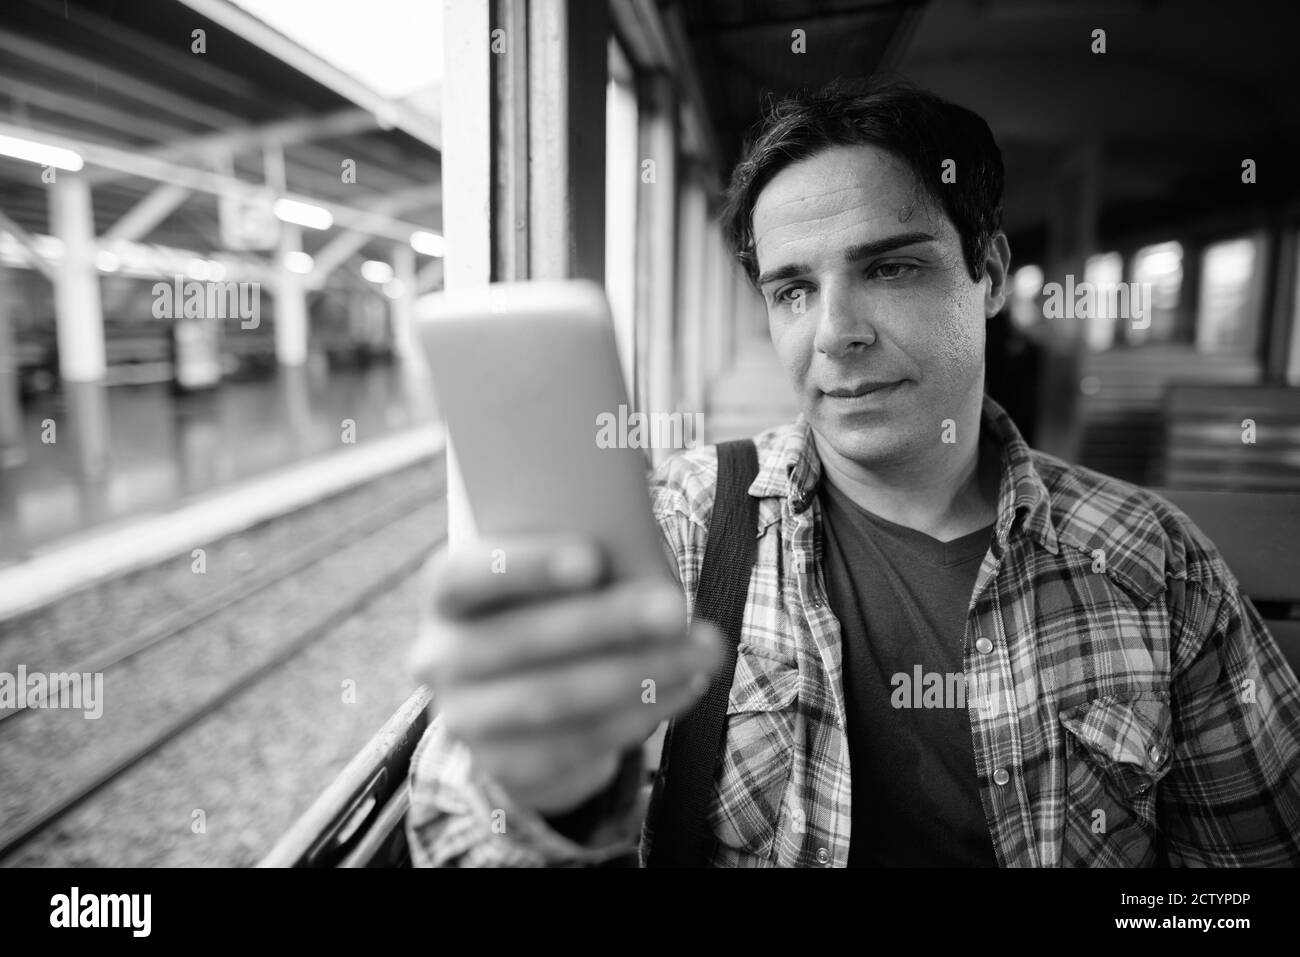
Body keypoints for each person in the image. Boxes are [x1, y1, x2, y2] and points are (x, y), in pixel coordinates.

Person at [404, 78, 1300, 867]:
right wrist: (544, 787)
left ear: (986, 274)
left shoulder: (1153, 563)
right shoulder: (677, 528)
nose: (836, 331)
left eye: (891, 266)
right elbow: (457, 826)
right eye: (793, 289)